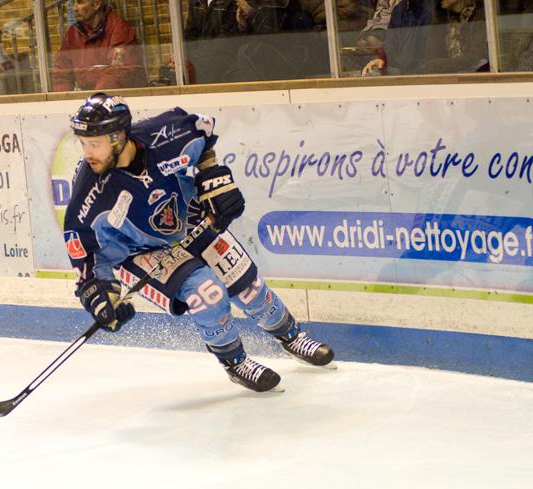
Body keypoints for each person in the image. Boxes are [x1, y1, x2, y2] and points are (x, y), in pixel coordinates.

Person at [62, 93, 335, 393]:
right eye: (83, 143)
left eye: (95, 143)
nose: (87, 152)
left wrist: (213, 178)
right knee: (209, 292)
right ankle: (235, 362)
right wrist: (100, 295)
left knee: (249, 287)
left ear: (118, 137)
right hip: (141, 251)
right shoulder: (88, 190)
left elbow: (204, 135)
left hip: (191, 221)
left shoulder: (165, 133)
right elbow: (83, 249)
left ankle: (292, 336)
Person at [52, 0, 146, 92]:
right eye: (74, 3)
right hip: (93, 96)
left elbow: (118, 72)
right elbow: (61, 74)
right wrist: (62, 98)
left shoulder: (119, 29)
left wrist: (95, 97)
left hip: (120, 97)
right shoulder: (73, 33)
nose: (74, 8)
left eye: (80, 2)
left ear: (96, 4)